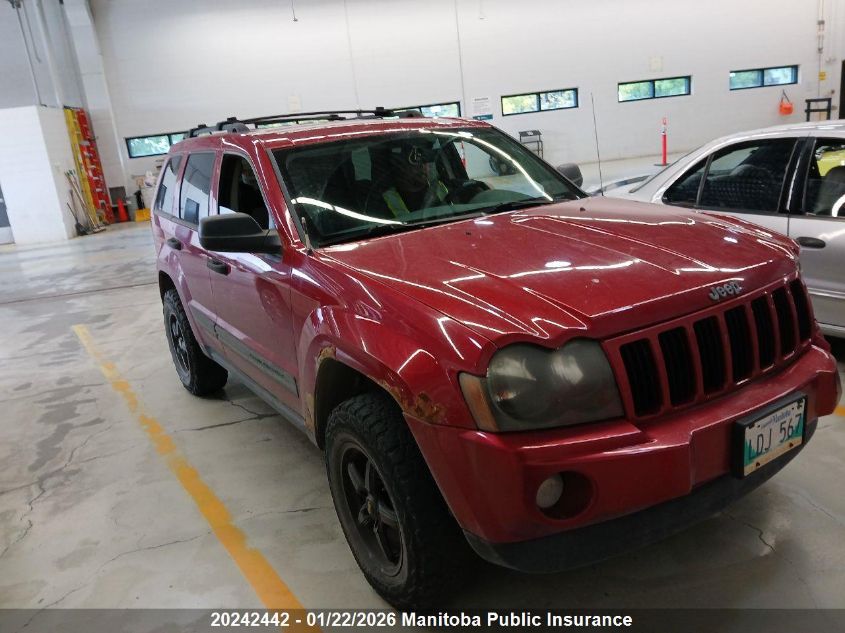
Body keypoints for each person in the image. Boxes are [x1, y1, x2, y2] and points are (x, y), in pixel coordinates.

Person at [380, 144, 449, 216]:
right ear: (401, 167)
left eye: (425, 162)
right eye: (416, 162)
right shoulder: (387, 200)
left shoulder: (440, 187)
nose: (424, 168)